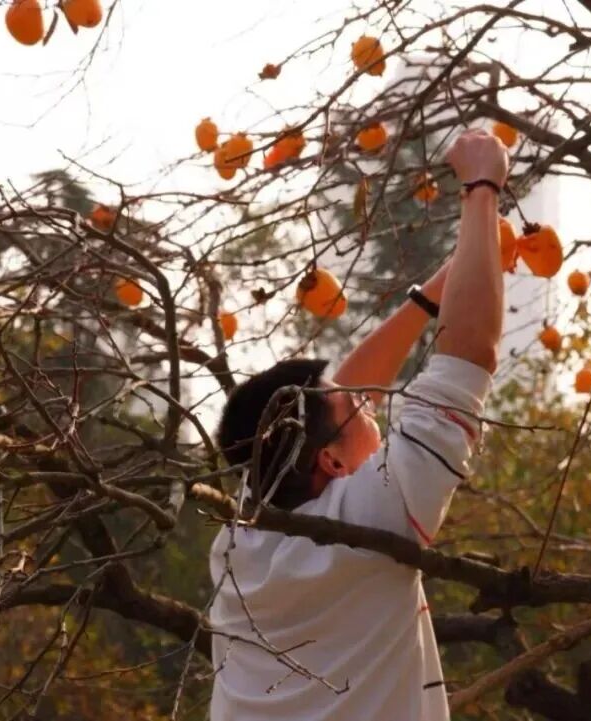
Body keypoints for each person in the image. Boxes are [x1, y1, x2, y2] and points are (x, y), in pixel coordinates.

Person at [208, 128, 508, 721]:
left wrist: (440, 290)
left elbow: (334, 401)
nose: (371, 403)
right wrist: (482, 185)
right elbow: (468, 355)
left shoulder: (242, 540)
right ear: (332, 463)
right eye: (360, 410)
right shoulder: (370, 522)